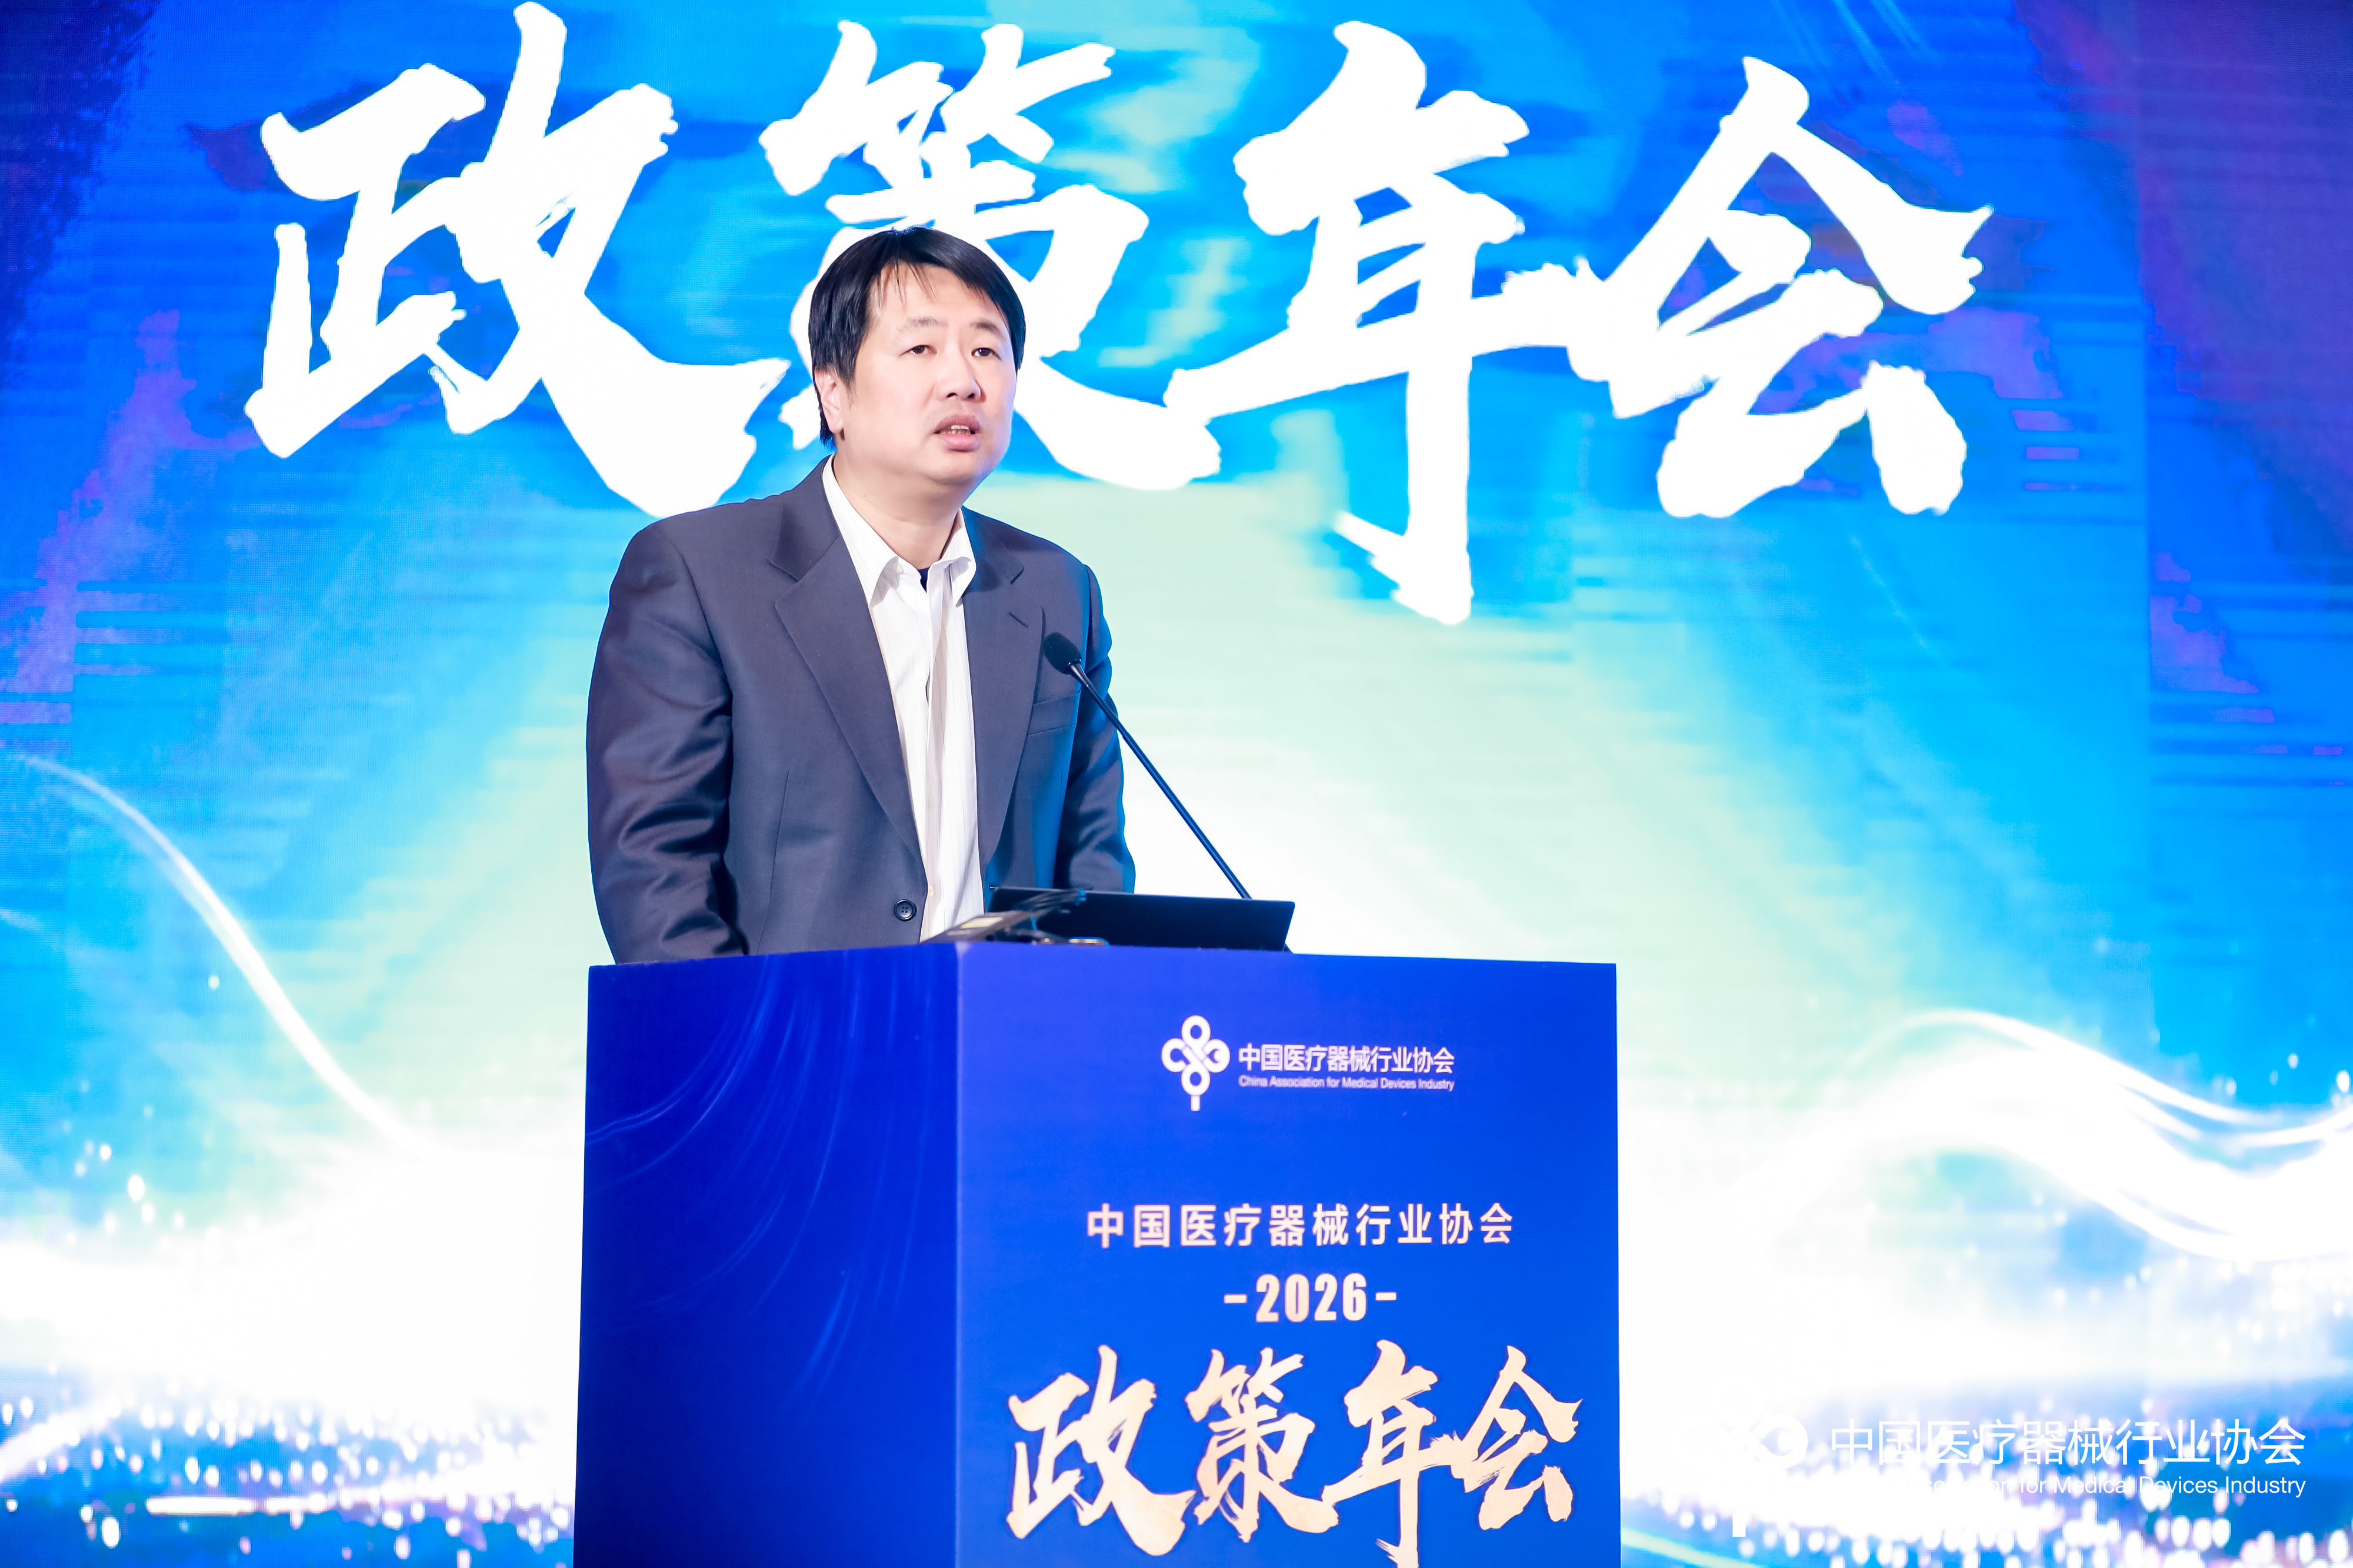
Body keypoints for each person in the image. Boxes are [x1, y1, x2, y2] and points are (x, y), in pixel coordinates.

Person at [585, 228, 1131, 962]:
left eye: (986, 350)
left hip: (1000, 1027)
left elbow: (1091, 862)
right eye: (921, 348)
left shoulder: (1057, 591)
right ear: (833, 392)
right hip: (787, 1028)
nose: (963, 380)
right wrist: (753, 1031)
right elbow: (654, 872)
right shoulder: (700, 573)